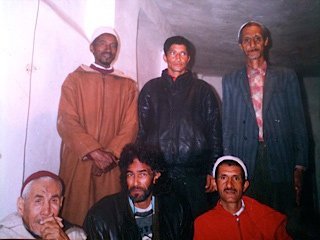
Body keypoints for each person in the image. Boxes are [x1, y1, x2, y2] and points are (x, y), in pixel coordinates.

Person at [222, 21, 308, 215]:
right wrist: (229, 165)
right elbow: (227, 127)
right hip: (245, 158)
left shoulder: (286, 76)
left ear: (266, 42)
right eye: (246, 40)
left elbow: (299, 123)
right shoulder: (230, 80)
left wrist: (300, 165)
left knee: (280, 216)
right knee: (251, 215)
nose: (252, 44)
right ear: (241, 46)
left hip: (280, 156)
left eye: (257, 39)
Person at [57, 27, 138, 225]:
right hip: (80, 159)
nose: (108, 49)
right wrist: (93, 151)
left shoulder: (127, 85)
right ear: (92, 47)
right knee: (74, 220)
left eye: (113, 45)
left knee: (108, 220)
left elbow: (131, 125)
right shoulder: (74, 79)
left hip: (112, 164)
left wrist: (110, 154)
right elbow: (66, 120)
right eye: (102, 43)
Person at [137, 35, 222, 219]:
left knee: (196, 224)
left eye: (182, 53)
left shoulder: (203, 90)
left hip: (194, 173)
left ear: (188, 58)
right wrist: (143, 168)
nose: (177, 57)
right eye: (173, 53)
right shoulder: (150, 89)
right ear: (165, 57)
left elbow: (215, 132)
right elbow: (142, 132)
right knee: (162, 224)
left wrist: (212, 170)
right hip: (159, 172)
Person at [83, 143, 193, 240]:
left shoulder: (177, 210)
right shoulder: (101, 216)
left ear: (156, 176)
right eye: (130, 174)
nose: (135, 182)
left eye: (142, 174)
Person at [194, 156, 292, 240]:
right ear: (215, 184)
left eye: (236, 178)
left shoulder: (268, 218)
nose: (229, 185)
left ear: (245, 185)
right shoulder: (204, 224)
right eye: (223, 178)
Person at [0, 170, 87, 239]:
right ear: (21, 206)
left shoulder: (74, 235)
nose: (46, 211)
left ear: (61, 203)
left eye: (54, 200)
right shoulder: (5, 233)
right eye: (38, 201)